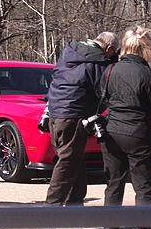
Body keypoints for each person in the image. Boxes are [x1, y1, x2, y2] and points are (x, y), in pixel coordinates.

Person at [102, 25, 151, 229]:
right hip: (137, 132)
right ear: (146, 48)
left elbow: (102, 97)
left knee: (114, 181)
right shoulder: (147, 74)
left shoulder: (111, 70)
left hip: (112, 130)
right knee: (142, 185)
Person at [43, 31, 118, 206]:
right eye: (113, 51)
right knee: (68, 160)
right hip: (74, 114)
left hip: (55, 112)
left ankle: (75, 201)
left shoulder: (70, 53)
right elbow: (103, 91)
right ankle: (52, 205)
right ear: (108, 48)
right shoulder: (97, 62)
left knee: (74, 158)